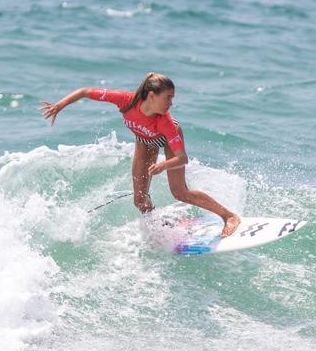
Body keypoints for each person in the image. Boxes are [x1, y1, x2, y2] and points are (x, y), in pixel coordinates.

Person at [39, 72, 240, 237]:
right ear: (151, 95)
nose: (171, 103)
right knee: (140, 200)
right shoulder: (125, 100)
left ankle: (228, 216)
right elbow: (85, 92)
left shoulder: (166, 122)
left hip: (167, 140)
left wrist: (164, 165)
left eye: (172, 98)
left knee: (179, 192)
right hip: (144, 140)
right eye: (168, 98)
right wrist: (59, 106)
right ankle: (160, 226)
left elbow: (182, 157)